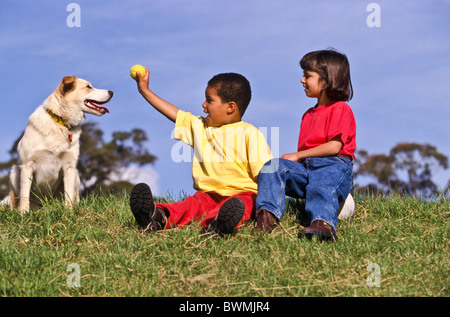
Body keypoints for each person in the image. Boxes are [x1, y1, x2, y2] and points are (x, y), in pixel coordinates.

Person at [129, 69, 272, 236]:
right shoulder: (201, 127)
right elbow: (174, 113)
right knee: (190, 205)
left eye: (209, 101)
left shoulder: (250, 133)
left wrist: (267, 210)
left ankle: (218, 223)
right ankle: (157, 216)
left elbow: (265, 173)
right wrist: (145, 90)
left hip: (242, 194)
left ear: (230, 107)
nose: (204, 105)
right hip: (208, 195)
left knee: (244, 204)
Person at [255, 49, 356, 241]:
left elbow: (334, 147)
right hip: (307, 168)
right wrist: (299, 160)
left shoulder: (341, 108)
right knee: (272, 167)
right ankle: (266, 216)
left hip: (333, 165)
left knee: (322, 185)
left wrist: (297, 155)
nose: (302, 80)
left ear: (326, 80)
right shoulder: (308, 114)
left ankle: (323, 223)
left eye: (307, 76)